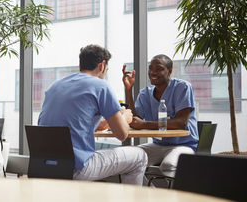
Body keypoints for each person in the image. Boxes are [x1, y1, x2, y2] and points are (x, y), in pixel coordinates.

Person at [38, 44, 147, 185]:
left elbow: (75, 123)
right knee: (139, 156)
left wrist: (109, 120)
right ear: (102, 66)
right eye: (106, 70)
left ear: (80, 65)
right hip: (77, 168)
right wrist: (124, 118)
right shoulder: (101, 86)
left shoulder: (55, 85)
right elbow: (122, 135)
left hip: (45, 166)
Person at [122, 54, 199, 172]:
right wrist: (128, 89)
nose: (153, 72)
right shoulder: (145, 94)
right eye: (151, 68)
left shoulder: (182, 87)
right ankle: (149, 191)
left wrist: (144, 124)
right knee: (128, 162)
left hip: (184, 146)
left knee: (168, 165)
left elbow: (181, 123)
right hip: (158, 145)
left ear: (170, 71)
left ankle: (169, 191)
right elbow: (134, 120)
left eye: (159, 69)